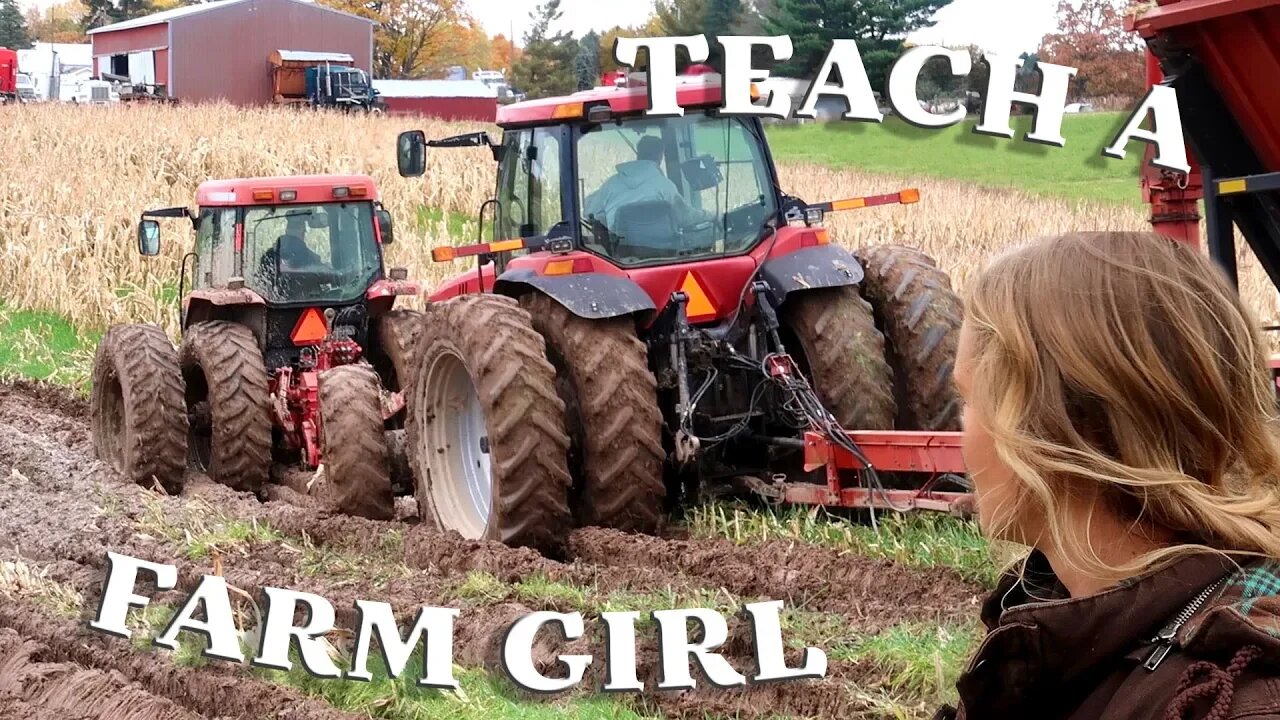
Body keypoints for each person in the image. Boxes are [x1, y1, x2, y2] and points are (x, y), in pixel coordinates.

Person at [943, 231, 1280, 720]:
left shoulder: (1223, 697)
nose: (962, 435)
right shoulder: (1076, 636)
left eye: (968, 400)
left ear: (1053, 430)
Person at [582, 134, 712, 235]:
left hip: (619, 254)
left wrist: (612, 221)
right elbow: (685, 217)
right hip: (664, 251)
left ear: (638, 154)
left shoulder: (611, 184)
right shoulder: (664, 186)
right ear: (660, 156)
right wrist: (711, 215)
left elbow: (590, 213)